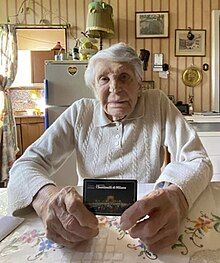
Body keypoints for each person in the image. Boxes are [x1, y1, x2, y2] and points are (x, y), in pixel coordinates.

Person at [7, 43, 212, 252]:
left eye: (124, 77)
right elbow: (25, 166)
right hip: (86, 223)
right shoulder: (80, 112)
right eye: (104, 79)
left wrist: (176, 195)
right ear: (95, 89)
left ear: (140, 84)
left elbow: (198, 160)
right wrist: (46, 200)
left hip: (146, 221)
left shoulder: (157, 104)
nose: (115, 87)